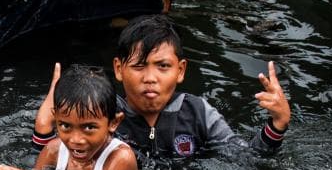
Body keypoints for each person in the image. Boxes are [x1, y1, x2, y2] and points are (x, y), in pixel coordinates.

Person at [32, 14, 291, 161]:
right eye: (139, 66)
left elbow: (245, 159)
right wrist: (44, 130)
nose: (150, 77)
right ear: (119, 69)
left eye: (163, 66)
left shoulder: (198, 112)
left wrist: (277, 123)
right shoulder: (103, 112)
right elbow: (64, 159)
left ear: (180, 71)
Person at [0, 64, 139, 170]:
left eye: (89, 127)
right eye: (65, 126)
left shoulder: (121, 158)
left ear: (113, 123)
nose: (76, 139)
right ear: (56, 119)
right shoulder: (53, 150)